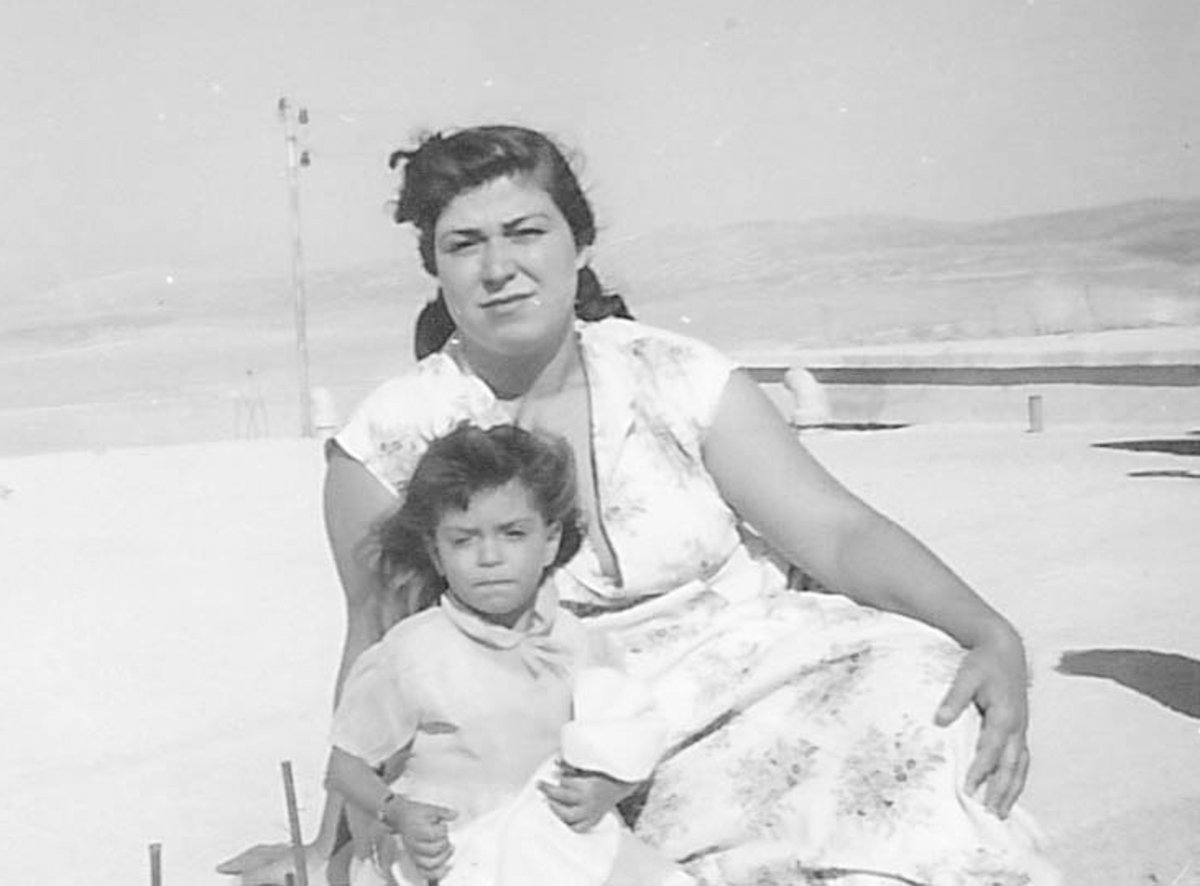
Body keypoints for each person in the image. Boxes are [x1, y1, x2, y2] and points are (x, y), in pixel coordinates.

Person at [220, 124, 1060, 886]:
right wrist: (336, 849)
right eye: (464, 244)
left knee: (919, 680)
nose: (497, 267)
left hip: (758, 682)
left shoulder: (678, 375)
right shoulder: (388, 441)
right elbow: (379, 646)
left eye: (525, 231)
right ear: (436, 271)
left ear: (579, 244)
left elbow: (839, 533)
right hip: (564, 739)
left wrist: (990, 631)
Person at [327, 421, 689, 886]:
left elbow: (628, 738)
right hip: (456, 852)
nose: (489, 557)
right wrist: (397, 812)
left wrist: (608, 788)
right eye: (463, 540)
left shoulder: (579, 643)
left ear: (550, 541)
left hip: (560, 849)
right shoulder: (415, 654)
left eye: (513, 533)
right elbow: (346, 766)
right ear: (436, 554)